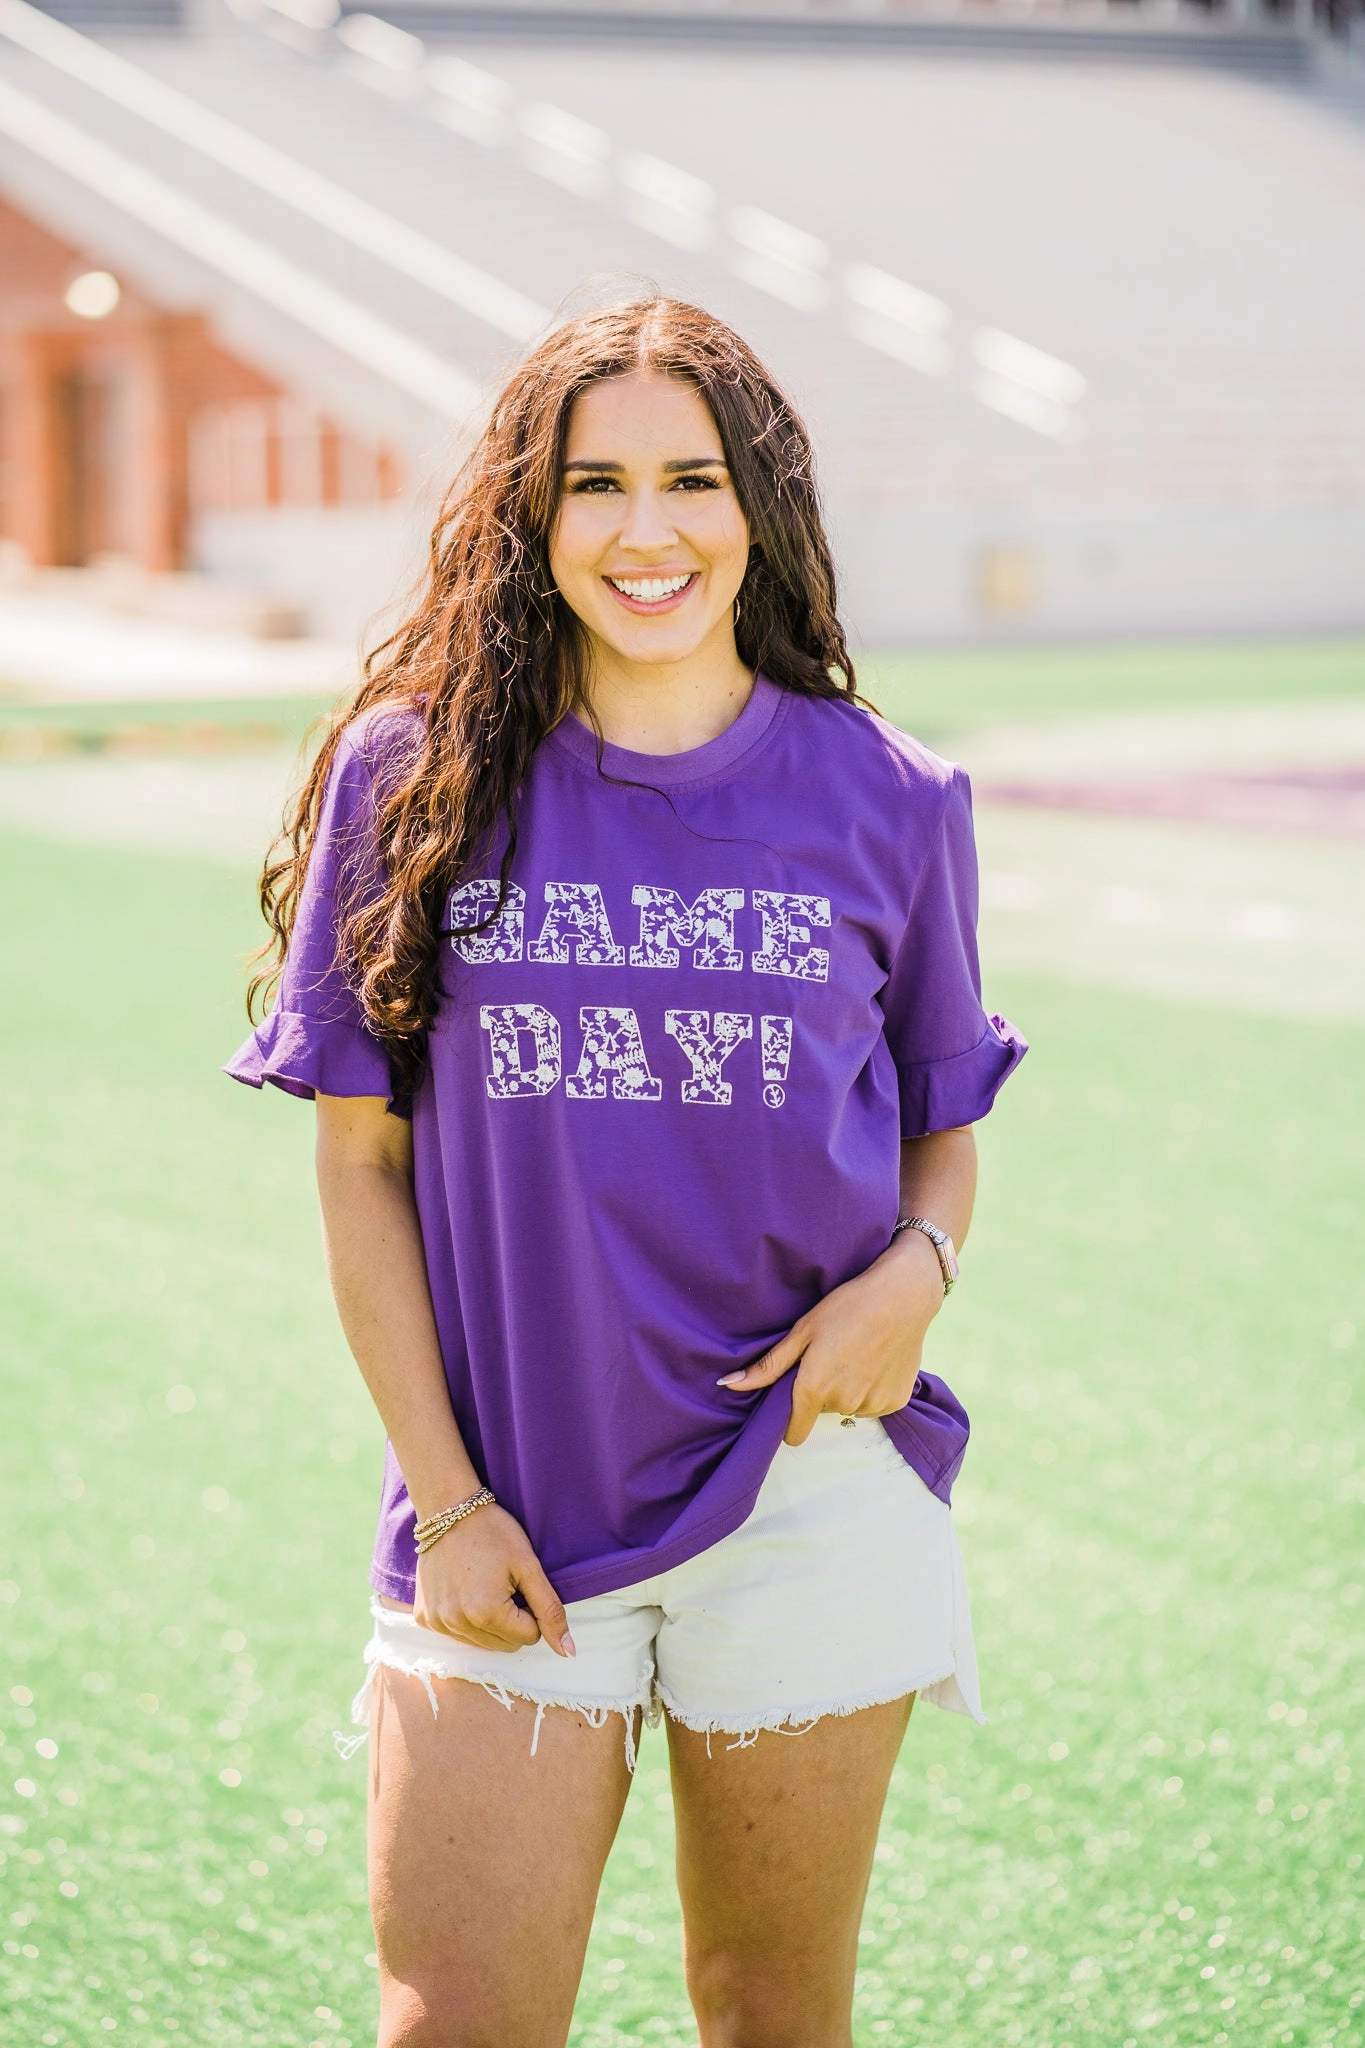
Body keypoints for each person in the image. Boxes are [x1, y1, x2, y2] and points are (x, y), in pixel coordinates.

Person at [227, 294, 1025, 2048]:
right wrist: (446, 1498)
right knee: (455, 2023)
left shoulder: (891, 794)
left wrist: (919, 1274)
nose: (646, 531)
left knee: (771, 2015)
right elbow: (360, 1166)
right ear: (534, 510)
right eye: (596, 484)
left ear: (763, 509)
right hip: (501, 1515)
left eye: (693, 479)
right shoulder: (421, 776)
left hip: (808, 1495)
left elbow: (941, 1122)